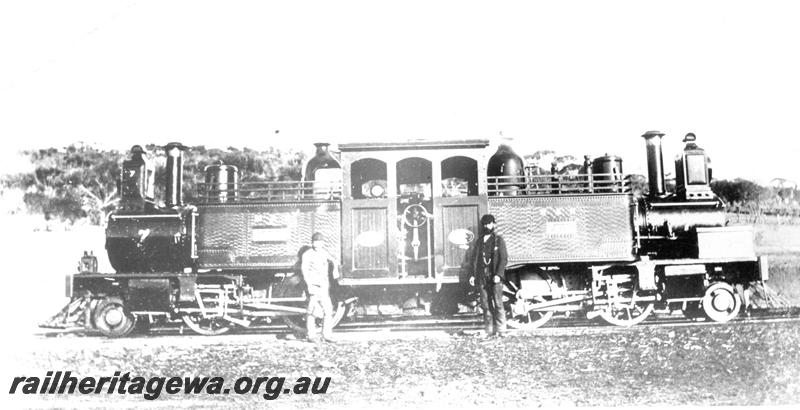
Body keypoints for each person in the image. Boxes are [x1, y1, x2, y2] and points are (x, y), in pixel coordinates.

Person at [468, 214, 509, 337]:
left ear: (494, 224)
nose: (487, 226)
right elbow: (474, 260)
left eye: (490, 223)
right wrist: (472, 275)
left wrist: (498, 275)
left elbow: (504, 259)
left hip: (494, 277)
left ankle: (501, 331)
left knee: (498, 303)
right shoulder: (479, 241)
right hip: (482, 277)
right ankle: (489, 330)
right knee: (486, 305)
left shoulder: (498, 240)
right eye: (485, 224)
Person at [301, 232, 340, 342]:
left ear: (322, 243)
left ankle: (327, 335)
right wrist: (309, 285)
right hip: (313, 286)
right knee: (312, 312)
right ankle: (311, 336)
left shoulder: (324, 253)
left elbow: (333, 260)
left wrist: (335, 270)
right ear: (312, 243)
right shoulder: (307, 254)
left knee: (328, 310)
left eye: (319, 242)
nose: (317, 244)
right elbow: (305, 271)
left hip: (323, 287)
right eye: (315, 242)